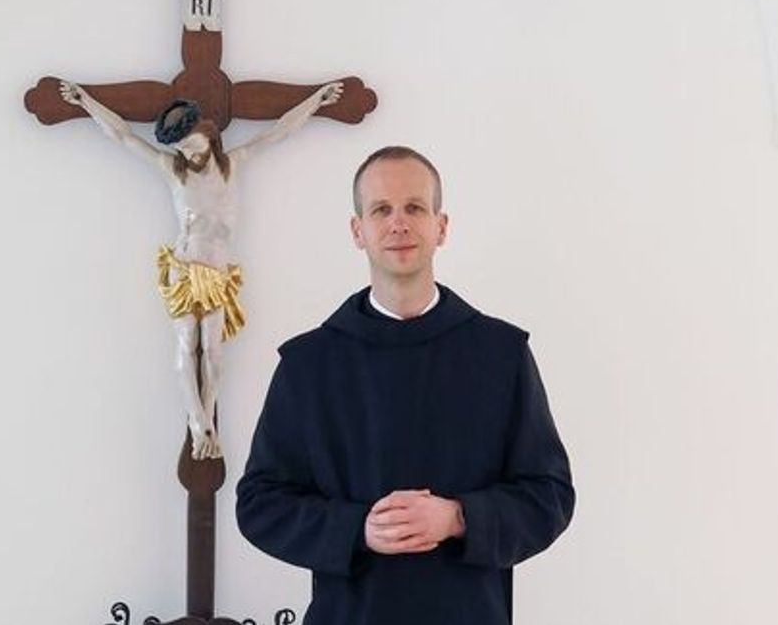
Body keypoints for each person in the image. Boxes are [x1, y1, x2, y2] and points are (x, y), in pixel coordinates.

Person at [235, 146, 575, 624]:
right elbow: (260, 503)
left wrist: (459, 517)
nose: (398, 223)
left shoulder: (502, 353)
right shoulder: (307, 364)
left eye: (414, 207)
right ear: (358, 230)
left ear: (441, 226)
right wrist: (357, 529)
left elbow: (549, 495)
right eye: (381, 210)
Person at [58, 79, 344, 460]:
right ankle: (198, 423)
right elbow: (123, 136)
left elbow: (279, 131)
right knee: (185, 346)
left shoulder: (232, 165)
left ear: (204, 132)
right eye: (178, 145)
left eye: (187, 141)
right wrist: (85, 102)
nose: (183, 149)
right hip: (184, 268)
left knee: (212, 352)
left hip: (217, 275)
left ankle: (207, 419)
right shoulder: (173, 170)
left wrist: (316, 101)